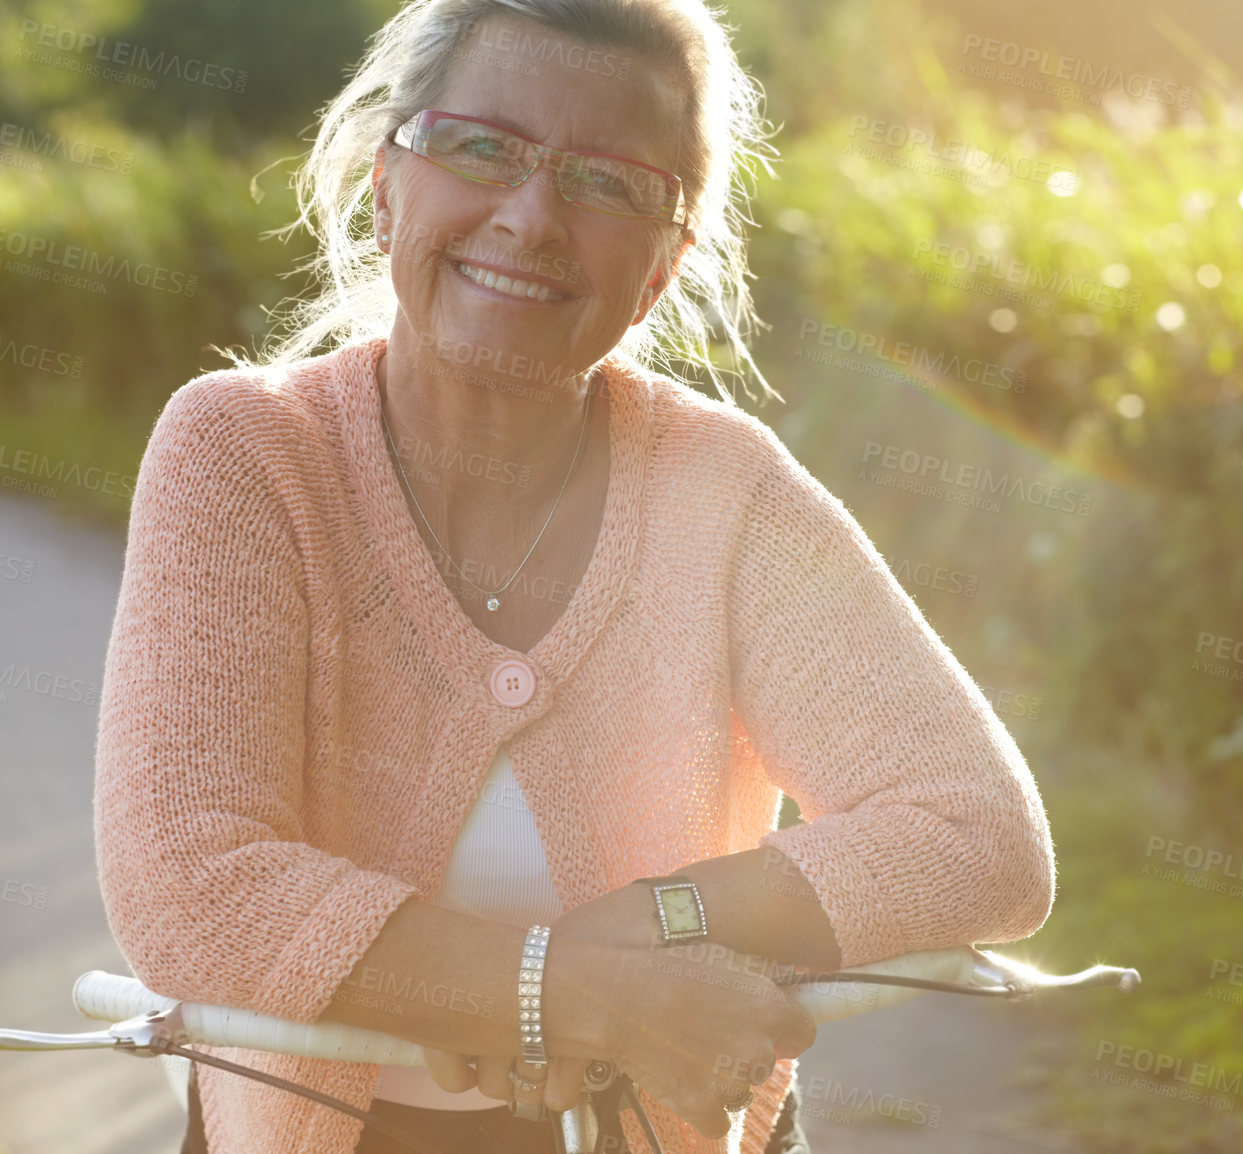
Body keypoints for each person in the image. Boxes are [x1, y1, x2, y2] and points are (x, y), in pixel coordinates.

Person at [92, 1, 1056, 1152]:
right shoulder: (247, 451)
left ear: (664, 265)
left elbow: (980, 835)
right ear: (389, 179)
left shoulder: (726, 489)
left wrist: (652, 920)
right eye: (481, 147)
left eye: (610, 181)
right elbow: (198, 881)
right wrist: (579, 992)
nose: (533, 217)